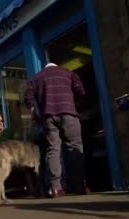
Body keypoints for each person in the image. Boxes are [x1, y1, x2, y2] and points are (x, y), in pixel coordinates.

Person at [24, 62, 87, 197]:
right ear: (56, 66)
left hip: (48, 116)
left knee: (53, 149)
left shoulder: (37, 77)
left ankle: (56, 188)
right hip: (68, 113)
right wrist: (75, 106)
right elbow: (81, 91)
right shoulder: (69, 73)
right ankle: (79, 185)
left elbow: (28, 95)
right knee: (74, 146)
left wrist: (33, 111)